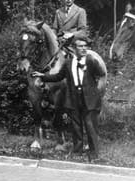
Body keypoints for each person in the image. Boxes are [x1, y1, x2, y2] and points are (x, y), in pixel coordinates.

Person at [32, 33, 107, 161]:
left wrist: (97, 94)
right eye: (80, 47)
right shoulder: (68, 63)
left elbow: (101, 74)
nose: (84, 49)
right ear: (74, 48)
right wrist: (42, 75)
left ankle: (94, 153)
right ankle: (77, 150)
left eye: (85, 46)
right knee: (76, 126)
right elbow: (58, 77)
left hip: (89, 98)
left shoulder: (91, 61)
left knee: (90, 124)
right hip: (73, 97)